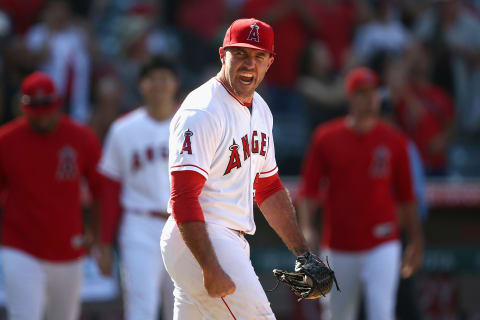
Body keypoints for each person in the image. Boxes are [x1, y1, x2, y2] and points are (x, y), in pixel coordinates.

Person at [160, 18, 310, 319]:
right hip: (204, 238)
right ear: (222, 55)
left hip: (225, 240)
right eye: (240, 53)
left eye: (258, 56)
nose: (248, 64)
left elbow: (268, 187)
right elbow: (184, 198)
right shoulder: (202, 110)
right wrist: (210, 266)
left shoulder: (262, 110)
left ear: (270, 62)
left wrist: (303, 254)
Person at [297, 67, 424, 320]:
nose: (369, 98)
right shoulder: (326, 137)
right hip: (338, 244)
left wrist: (416, 240)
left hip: (383, 242)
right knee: (337, 315)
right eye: (362, 92)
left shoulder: (395, 140)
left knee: (381, 312)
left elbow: (407, 196)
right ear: (350, 97)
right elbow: (309, 190)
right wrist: (307, 227)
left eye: (374, 92)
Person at [0, 71, 102, 320]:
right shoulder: (5, 140)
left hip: (68, 246)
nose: (43, 116)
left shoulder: (81, 137)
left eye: (48, 107)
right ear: (23, 107)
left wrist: (95, 233)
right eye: (36, 109)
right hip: (19, 246)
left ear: (58, 104)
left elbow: (100, 189)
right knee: (24, 315)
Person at [96, 57, 177, 320]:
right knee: (140, 308)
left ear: (175, 84)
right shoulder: (123, 129)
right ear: (142, 85)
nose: (158, 85)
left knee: (185, 308)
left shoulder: (193, 124)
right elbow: (108, 190)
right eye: (152, 79)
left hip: (184, 226)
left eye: (164, 78)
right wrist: (105, 243)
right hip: (139, 225)